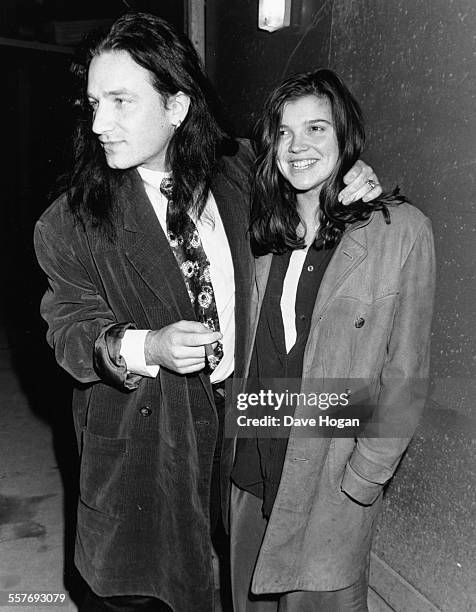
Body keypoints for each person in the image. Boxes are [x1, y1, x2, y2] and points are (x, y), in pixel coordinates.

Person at [34, 12, 382, 612]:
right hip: (146, 445)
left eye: (120, 101)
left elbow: (306, 165)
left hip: (241, 427)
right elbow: (68, 331)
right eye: (93, 103)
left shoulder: (239, 170)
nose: (98, 124)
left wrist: (348, 172)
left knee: (238, 576)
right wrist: (148, 346)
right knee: (144, 587)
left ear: (176, 106)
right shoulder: (70, 221)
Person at [229, 69, 435, 611]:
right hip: (251, 459)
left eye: (317, 129)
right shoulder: (258, 233)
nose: (297, 146)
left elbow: (406, 372)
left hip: (330, 474)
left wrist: (366, 476)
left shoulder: (400, 232)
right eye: (283, 131)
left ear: (345, 137)